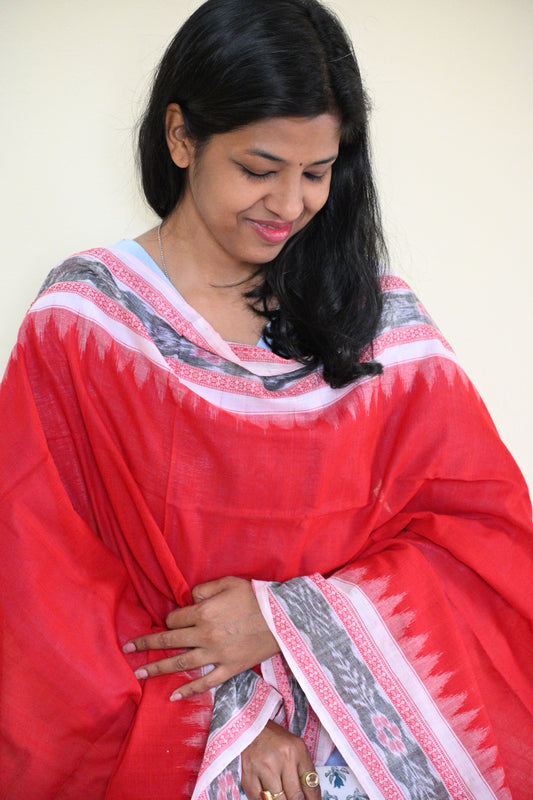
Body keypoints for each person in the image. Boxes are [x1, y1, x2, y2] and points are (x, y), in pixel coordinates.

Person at [1, 0, 531, 798]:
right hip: (182, 732)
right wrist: (234, 718)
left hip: (366, 741)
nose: (289, 205)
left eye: (316, 173)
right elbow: (46, 579)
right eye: (258, 169)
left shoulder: (375, 320)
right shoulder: (89, 323)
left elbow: (479, 538)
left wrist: (287, 622)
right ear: (182, 137)